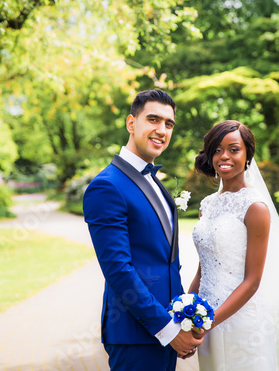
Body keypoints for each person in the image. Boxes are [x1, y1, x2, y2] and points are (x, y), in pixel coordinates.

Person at [83, 89, 203, 371]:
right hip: (136, 334)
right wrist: (167, 330)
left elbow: (163, 259)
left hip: (167, 327)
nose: (161, 130)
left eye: (169, 124)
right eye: (153, 119)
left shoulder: (155, 181)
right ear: (131, 123)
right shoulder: (107, 186)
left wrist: (181, 321)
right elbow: (117, 269)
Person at [189, 120, 279, 371]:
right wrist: (185, 313)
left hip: (241, 320)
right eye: (217, 149)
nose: (224, 156)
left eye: (233, 149)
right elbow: (202, 269)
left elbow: (252, 281)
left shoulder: (255, 207)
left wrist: (209, 321)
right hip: (205, 318)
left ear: (248, 153)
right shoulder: (206, 205)